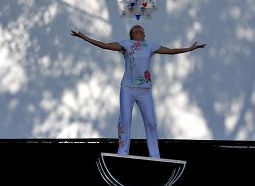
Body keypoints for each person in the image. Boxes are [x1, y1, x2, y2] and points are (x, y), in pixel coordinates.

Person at [71, 25, 206, 158]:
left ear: (144, 34)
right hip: (127, 89)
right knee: (125, 121)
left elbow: (171, 51)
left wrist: (190, 48)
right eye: (135, 29)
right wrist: (84, 38)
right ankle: (122, 153)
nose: (138, 29)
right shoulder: (126, 44)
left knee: (151, 122)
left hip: (144, 91)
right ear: (131, 34)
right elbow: (105, 45)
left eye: (140, 28)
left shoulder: (151, 46)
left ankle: (155, 155)